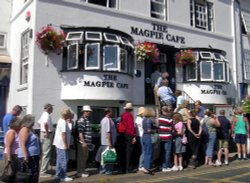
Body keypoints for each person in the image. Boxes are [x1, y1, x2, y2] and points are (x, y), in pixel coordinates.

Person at [17, 114, 40, 183]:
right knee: (28, 176)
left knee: (33, 175)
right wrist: (25, 157)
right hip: (28, 156)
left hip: (33, 156)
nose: (34, 122)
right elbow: (22, 144)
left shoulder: (29, 129)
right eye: (33, 121)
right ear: (29, 121)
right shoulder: (25, 129)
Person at [53, 108, 73, 182]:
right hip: (62, 144)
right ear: (66, 114)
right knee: (63, 160)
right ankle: (63, 176)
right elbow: (63, 134)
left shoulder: (61, 120)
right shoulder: (63, 122)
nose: (70, 115)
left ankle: (58, 175)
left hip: (59, 144)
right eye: (69, 113)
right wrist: (66, 145)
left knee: (59, 160)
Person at [97, 108, 117, 175]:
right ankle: (108, 170)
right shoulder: (107, 120)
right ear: (108, 112)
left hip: (104, 141)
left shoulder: (103, 120)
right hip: (107, 142)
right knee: (109, 157)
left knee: (104, 157)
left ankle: (102, 170)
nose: (113, 113)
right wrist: (110, 143)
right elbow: (108, 132)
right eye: (111, 112)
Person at [76, 105, 93, 178]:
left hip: (87, 143)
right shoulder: (81, 120)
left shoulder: (87, 120)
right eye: (87, 111)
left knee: (85, 157)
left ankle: (83, 170)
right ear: (83, 112)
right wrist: (83, 142)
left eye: (89, 111)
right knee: (81, 157)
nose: (88, 112)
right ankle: (80, 172)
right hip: (83, 143)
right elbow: (80, 132)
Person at [120, 102, 137, 173]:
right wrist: (134, 136)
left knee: (124, 152)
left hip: (123, 134)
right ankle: (129, 168)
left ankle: (123, 168)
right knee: (129, 152)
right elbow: (130, 127)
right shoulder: (129, 116)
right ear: (130, 109)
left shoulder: (123, 115)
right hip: (129, 134)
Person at [4, 117, 21, 182]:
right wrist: (9, 158)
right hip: (12, 154)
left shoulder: (15, 131)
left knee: (14, 173)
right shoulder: (11, 132)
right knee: (11, 173)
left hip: (15, 154)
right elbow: (8, 146)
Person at [39, 103, 54, 177]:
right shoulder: (46, 115)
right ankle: (43, 172)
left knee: (44, 153)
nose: (52, 110)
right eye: (52, 108)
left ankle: (43, 169)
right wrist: (47, 132)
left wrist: (43, 131)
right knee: (46, 153)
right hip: (47, 134)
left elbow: (39, 122)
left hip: (43, 133)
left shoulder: (43, 114)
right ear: (48, 108)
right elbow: (45, 123)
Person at [158, 106, 173, 172]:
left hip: (160, 137)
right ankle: (165, 167)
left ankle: (162, 165)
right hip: (167, 136)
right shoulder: (169, 118)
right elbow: (172, 128)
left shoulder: (159, 118)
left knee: (162, 152)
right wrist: (169, 128)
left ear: (162, 110)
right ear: (167, 111)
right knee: (167, 152)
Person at [142, 108, 155, 174]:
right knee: (149, 153)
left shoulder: (143, 120)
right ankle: (146, 168)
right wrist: (155, 131)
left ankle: (145, 166)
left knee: (145, 152)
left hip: (144, 136)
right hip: (148, 136)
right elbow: (149, 130)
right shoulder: (149, 120)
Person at [135, 107, 145, 171]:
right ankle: (141, 165)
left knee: (141, 151)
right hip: (142, 136)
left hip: (138, 136)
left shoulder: (137, 119)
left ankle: (140, 164)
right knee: (143, 151)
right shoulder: (141, 120)